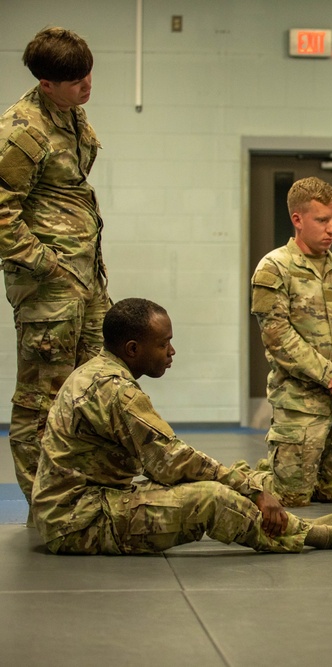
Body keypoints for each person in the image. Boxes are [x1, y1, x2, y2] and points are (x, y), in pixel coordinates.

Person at [31, 298, 332, 555]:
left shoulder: (99, 371)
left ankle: (300, 524)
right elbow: (172, 459)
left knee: (211, 478)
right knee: (210, 497)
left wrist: (240, 483)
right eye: (163, 343)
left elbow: (169, 462)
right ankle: (312, 536)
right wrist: (254, 491)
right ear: (133, 348)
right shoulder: (114, 390)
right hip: (77, 523)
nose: (171, 351)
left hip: (82, 505)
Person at [0, 27, 112, 513]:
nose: (86, 85)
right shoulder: (22, 130)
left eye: (88, 74)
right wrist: (46, 264)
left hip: (85, 281)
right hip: (50, 288)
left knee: (94, 389)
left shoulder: (70, 115)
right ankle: (44, 507)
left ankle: (84, 496)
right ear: (46, 82)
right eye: (74, 80)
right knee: (41, 401)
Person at [250, 177, 332, 506]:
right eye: (322, 220)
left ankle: (297, 473)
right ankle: (257, 476)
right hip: (300, 405)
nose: (331, 228)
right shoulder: (274, 268)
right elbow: (277, 336)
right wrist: (331, 377)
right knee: (291, 497)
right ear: (297, 219)